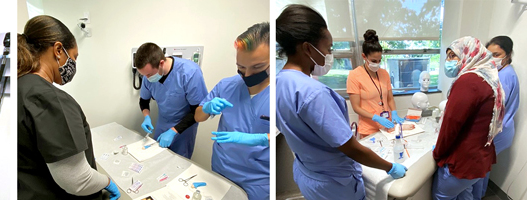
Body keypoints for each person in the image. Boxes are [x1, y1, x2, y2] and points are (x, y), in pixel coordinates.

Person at [275, 5, 407, 199]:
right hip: (334, 184)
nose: (330, 55)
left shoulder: (279, 82)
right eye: (328, 48)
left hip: (310, 175)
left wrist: (393, 113)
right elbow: (350, 147)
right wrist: (390, 167)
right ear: (307, 48)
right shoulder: (314, 93)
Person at [16, 15, 120, 200]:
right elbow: (78, 181)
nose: (73, 64)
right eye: (73, 57)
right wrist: (107, 182)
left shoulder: (21, 85)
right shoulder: (49, 98)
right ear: (58, 50)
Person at [194, 23, 271, 200]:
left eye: (257, 67)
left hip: (258, 180)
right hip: (221, 168)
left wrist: (258, 138)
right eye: (242, 67)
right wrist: (206, 108)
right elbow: (198, 116)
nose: (248, 74)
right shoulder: (227, 85)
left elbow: (291, 137)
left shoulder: (281, 92)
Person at [432, 36, 506, 199]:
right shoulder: (489, 78)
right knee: (466, 195)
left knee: (441, 195)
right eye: (448, 56)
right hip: (479, 160)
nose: (448, 61)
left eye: (453, 56)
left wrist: (437, 153)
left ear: (470, 53)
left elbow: (451, 125)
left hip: (463, 162)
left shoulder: (469, 81)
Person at [135, 42, 207, 159]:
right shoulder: (148, 77)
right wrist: (146, 116)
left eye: (148, 74)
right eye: (144, 75)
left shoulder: (190, 72)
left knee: (179, 164)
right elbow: (144, 101)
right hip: (163, 124)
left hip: (184, 128)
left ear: (161, 63)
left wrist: (174, 131)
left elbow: (197, 111)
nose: (147, 78)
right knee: (158, 159)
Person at [471, 36, 520, 199]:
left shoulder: (505, 76)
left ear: (509, 54)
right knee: (483, 167)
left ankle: (477, 196)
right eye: (489, 54)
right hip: (501, 129)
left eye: (497, 54)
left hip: (499, 131)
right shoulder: (499, 72)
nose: (493, 59)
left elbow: (493, 108)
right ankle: (480, 193)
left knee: (478, 167)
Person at [347, 29, 404, 137]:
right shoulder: (354, 76)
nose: (377, 64)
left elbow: (390, 98)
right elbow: (356, 107)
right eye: (373, 61)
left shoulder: (384, 74)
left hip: (388, 126)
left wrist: (394, 112)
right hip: (369, 130)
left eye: (379, 60)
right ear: (364, 57)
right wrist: (376, 117)